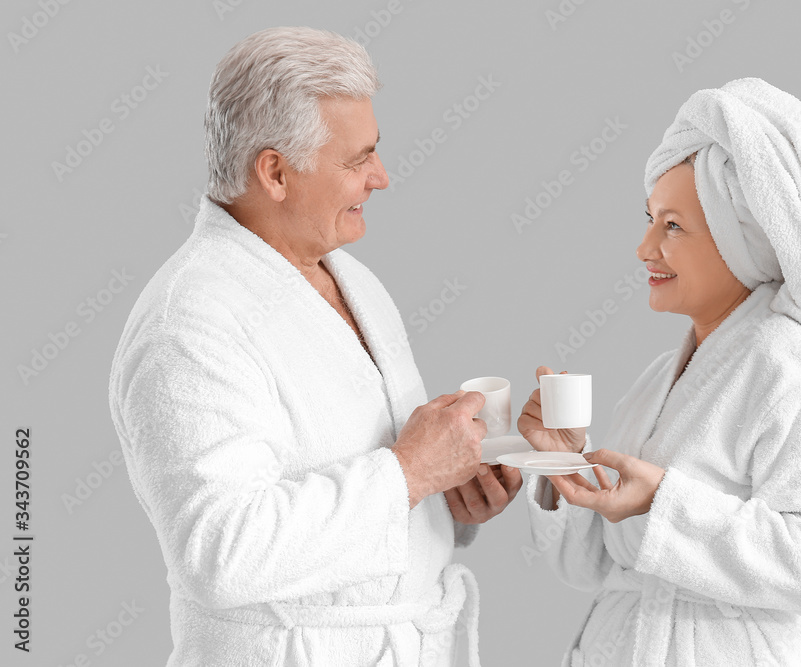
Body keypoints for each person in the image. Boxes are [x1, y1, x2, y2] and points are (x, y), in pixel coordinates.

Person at [107, 26, 520, 666]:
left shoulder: (354, 282)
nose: (381, 177)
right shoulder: (187, 323)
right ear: (275, 172)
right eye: (357, 160)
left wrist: (448, 495)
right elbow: (221, 552)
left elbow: (373, 482)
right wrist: (410, 472)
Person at [517, 78, 801, 666]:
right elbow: (591, 567)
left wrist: (664, 504)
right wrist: (563, 464)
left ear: (743, 239)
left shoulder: (790, 366)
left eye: (672, 226)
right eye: (649, 219)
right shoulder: (663, 377)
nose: (644, 248)